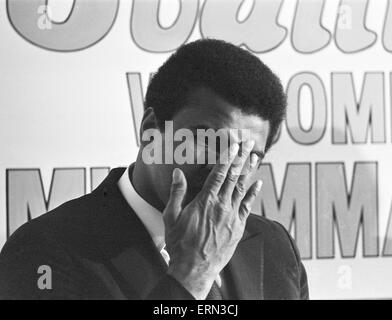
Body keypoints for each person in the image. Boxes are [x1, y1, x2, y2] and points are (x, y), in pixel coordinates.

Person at [0, 39, 308, 300]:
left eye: (249, 155)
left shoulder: (275, 245)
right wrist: (191, 276)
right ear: (150, 130)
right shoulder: (43, 250)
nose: (224, 168)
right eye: (207, 141)